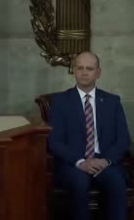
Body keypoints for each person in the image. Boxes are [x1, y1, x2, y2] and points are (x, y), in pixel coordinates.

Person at [48, 51, 131, 220]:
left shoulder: (112, 101)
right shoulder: (60, 101)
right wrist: (80, 162)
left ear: (98, 73)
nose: (84, 72)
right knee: (79, 182)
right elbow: (54, 142)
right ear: (74, 71)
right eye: (80, 68)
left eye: (89, 68)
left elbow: (123, 140)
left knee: (116, 181)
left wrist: (106, 160)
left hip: (104, 161)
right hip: (73, 163)